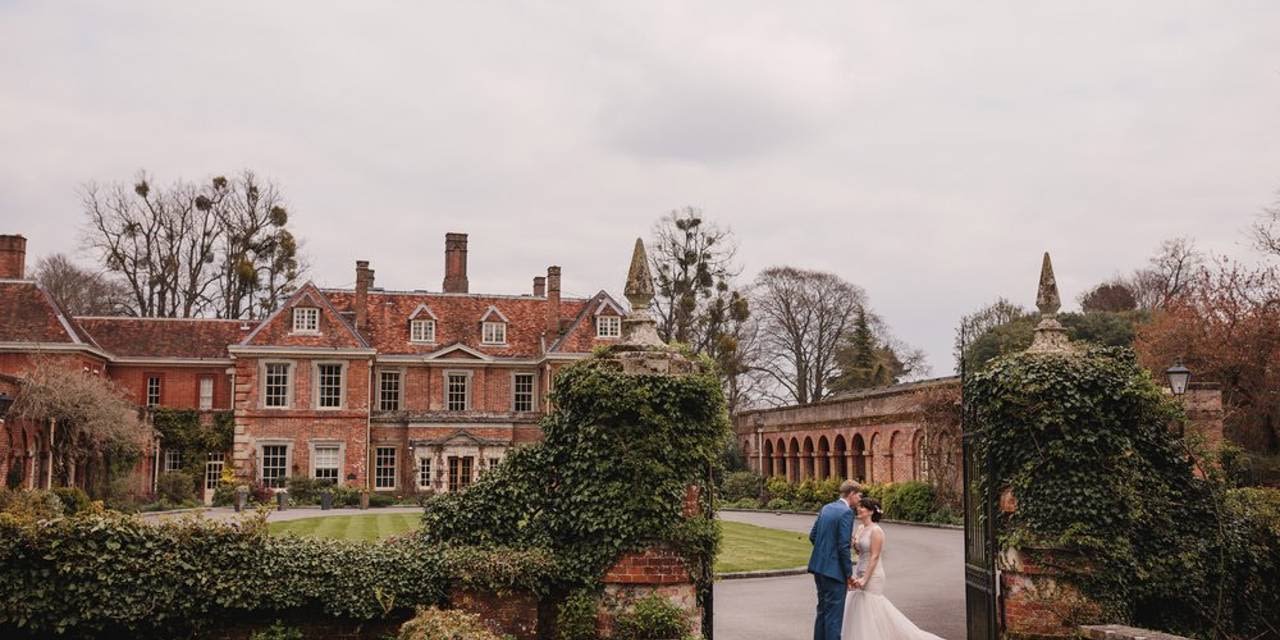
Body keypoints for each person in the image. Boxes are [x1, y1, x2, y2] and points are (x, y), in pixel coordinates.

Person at [841, 497, 944, 639]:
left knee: (871, 606)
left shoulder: (877, 531)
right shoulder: (860, 528)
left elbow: (875, 556)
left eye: (862, 507)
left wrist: (865, 578)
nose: (858, 509)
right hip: (859, 569)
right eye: (858, 506)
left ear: (871, 511)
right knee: (860, 606)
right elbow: (860, 552)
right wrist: (855, 543)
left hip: (873, 574)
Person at [808, 480, 861, 640]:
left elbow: (813, 536)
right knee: (834, 617)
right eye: (859, 495)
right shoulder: (846, 513)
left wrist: (825, 551)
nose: (859, 499)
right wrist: (848, 574)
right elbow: (843, 546)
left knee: (822, 611)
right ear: (851, 494)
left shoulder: (827, 508)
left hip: (818, 567)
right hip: (834, 572)